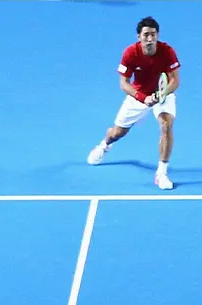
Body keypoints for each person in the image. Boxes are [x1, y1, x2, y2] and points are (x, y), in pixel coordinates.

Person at [86, 16, 180, 190]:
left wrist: (161, 94)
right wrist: (143, 97)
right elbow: (124, 83)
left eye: (153, 34)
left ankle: (161, 173)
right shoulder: (130, 53)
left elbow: (175, 80)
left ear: (158, 35)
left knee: (166, 125)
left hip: (162, 94)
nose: (150, 39)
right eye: (146, 35)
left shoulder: (167, 51)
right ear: (139, 37)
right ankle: (104, 145)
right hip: (138, 95)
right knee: (117, 132)